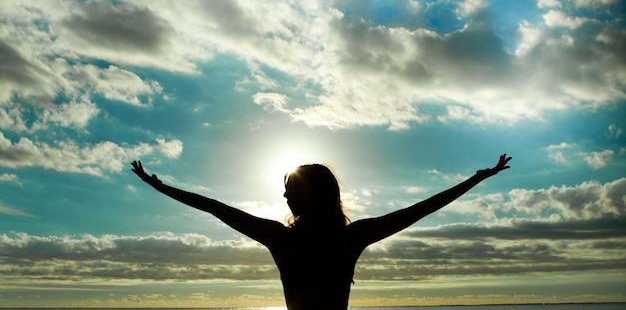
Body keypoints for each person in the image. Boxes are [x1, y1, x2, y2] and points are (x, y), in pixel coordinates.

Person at [131, 154, 511, 310]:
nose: (284, 196)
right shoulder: (280, 237)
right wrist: (158, 187)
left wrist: (476, 180)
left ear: (317, 194)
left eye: (292, 190)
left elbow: (421, 208)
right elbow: (215, 207)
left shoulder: (352, 237)